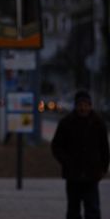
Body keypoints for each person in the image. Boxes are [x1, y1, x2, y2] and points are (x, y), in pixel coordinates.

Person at [51, 90, 109, 219]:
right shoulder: (66, 123)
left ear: (90, 105)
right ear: (76, 106)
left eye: (86, 105)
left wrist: (103, 168)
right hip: (73, 175)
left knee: (93, 209)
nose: (83, 108)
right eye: (80, 105)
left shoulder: (98, 123)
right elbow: (56, 146)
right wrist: (66, 162)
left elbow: (104, 148)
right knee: (73, 209)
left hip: (92, 174)